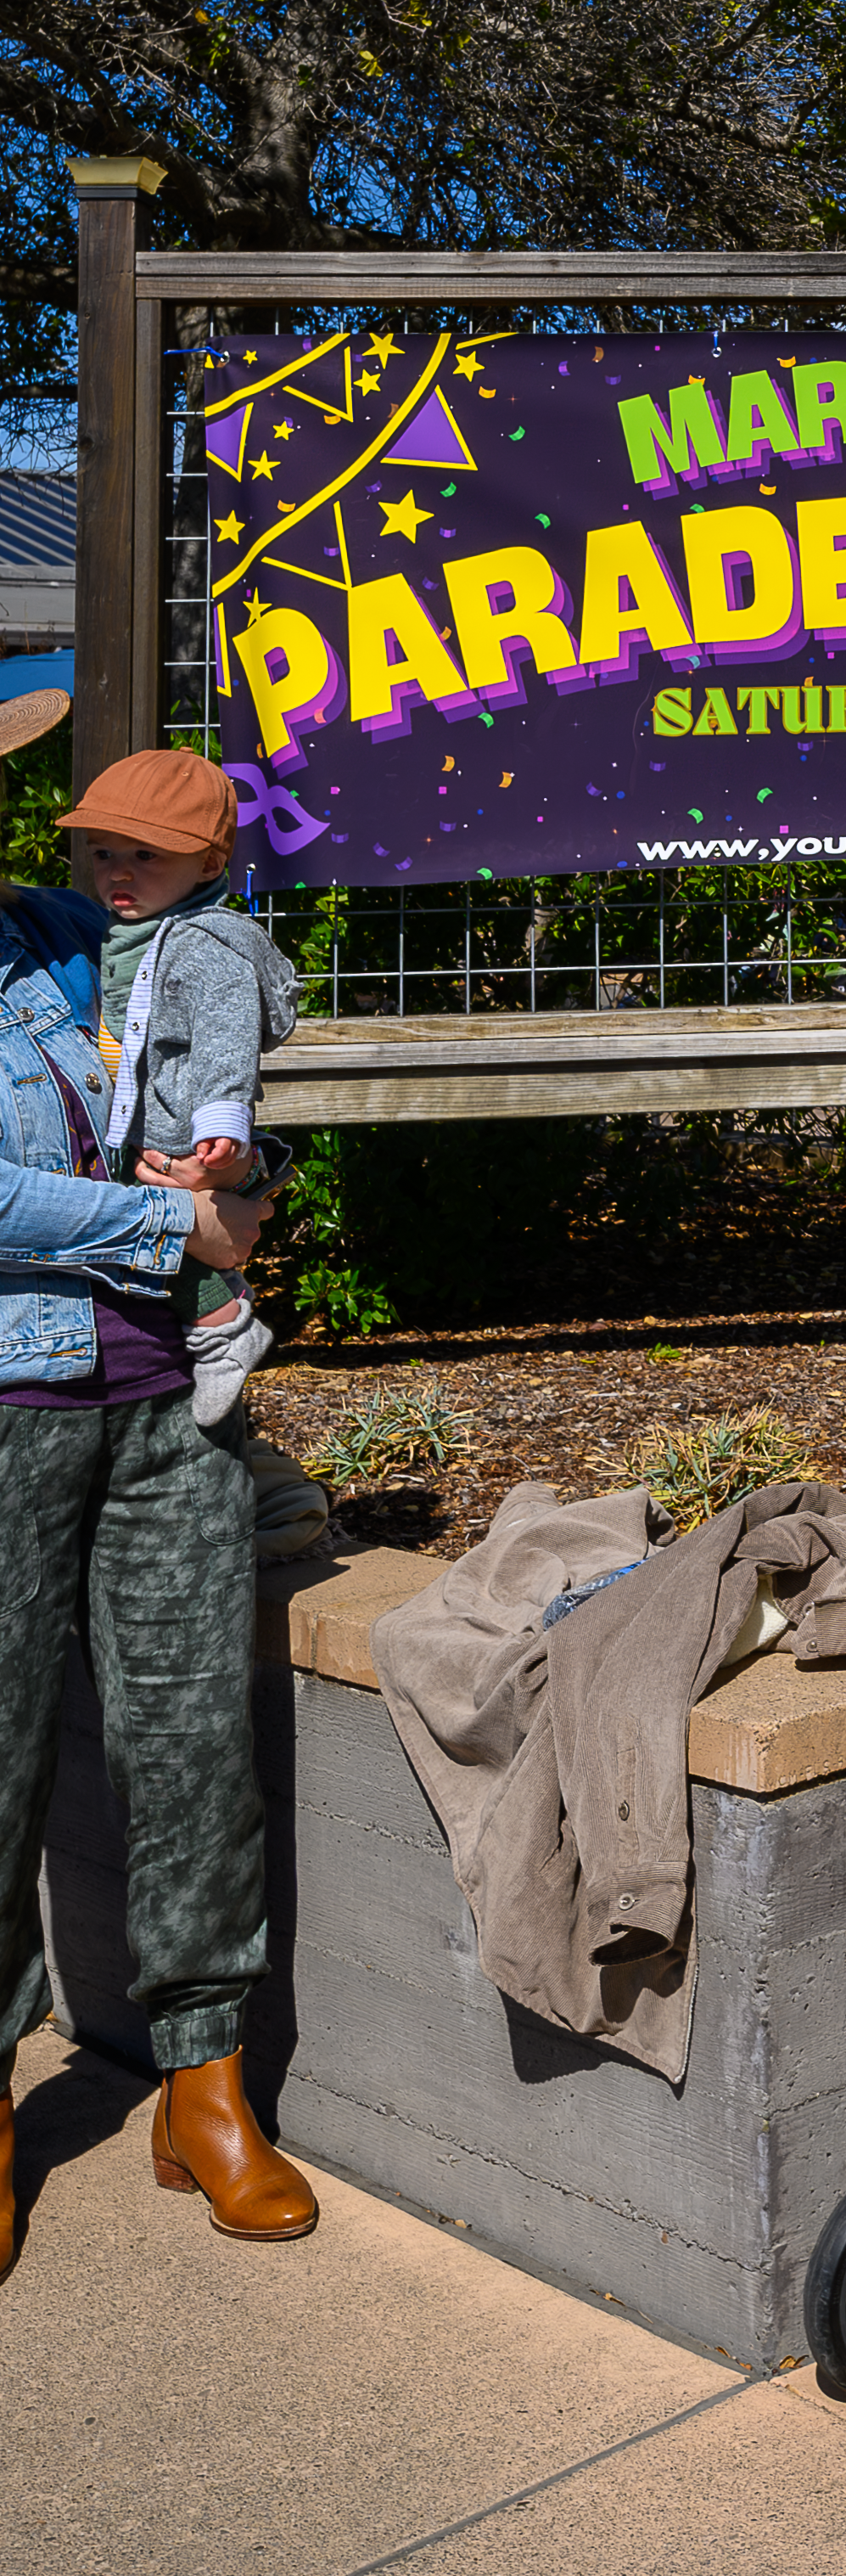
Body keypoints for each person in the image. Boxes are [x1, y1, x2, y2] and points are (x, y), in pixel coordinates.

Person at [0, 690, 297, 2278]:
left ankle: (205, 2085)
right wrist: (170, 1230)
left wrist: (235, 1173)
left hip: (166, 1401)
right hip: (10, 1400)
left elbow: (214, 1064)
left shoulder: (68, 930)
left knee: (194, 1737)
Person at [61, 751, 299, 1442]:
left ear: (207, 865)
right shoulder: (131, 930)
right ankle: (221, 1324)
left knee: (177, 1234)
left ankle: (225, 1333)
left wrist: (222, 1116)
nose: (119, 872)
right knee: (170, 1236)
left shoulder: (203, 941)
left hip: (186, 1123)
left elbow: (228, 1028)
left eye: (146, 853)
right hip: (154, 1115)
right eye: (104, 853)